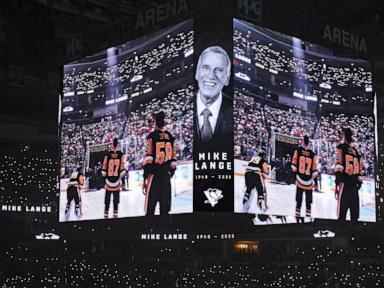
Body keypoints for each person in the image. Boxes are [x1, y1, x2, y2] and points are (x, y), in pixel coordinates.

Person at [194, 46, 232, 149]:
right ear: (197, 73)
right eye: (206, 67)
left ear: (227, 78)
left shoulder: (234, 111)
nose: (211, 76)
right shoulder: (182, 112)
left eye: (219, 70)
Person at [143, 111, 177, 216]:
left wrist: (145, 177)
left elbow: (148, 159)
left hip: (154, 178)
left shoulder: (151, 136)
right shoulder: (170, 137)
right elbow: (173, 162)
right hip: (166, 178)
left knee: (150, 212)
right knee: (165, 212)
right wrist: (169, 173)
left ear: (155, 123)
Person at [334, 128, 363, 222]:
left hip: (345, 185)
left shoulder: (341, 147)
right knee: (354, 218)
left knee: (341, 216)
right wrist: (358, 184)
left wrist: (337, 184)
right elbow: (360, 172)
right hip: (354, 187)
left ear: (344, 136)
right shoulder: (356, 152)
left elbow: (339, 166)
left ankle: (341, 236)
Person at [291, 135, 318, 222]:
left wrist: (294, 175)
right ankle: (308, 219)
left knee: (298, 201)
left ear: (302, 142)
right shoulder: (313, 154)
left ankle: (297, 219)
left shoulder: (298, 151)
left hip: (300, 179)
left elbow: (293, 166)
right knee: (308, 202)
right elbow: (314, 168)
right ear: (308, 143)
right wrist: (315, 181)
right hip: (309, 181)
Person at [101, 138, 127, 218]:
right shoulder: (121, 154)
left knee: (107, 201)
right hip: (116, 182)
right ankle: (115, 217)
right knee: (116, 202)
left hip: (108, 182)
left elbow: (104, 169)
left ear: (112, 145)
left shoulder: (107, 154)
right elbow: (122, 169)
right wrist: (123, 183)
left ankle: (106, 216)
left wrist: (103, 181)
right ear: (118, 145)